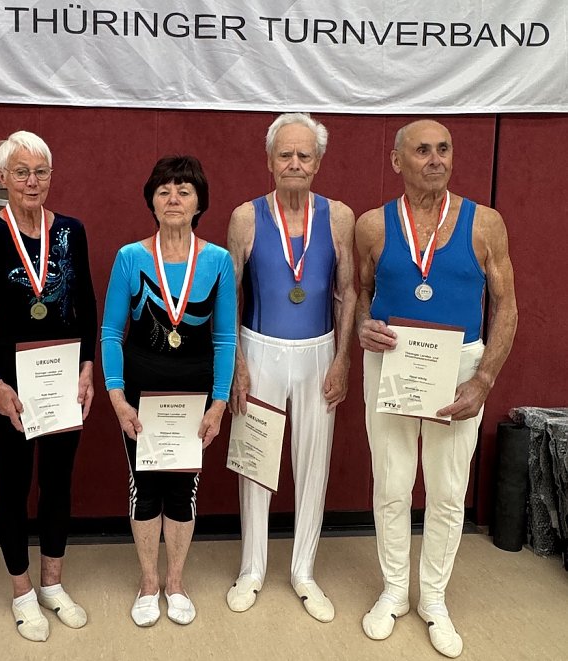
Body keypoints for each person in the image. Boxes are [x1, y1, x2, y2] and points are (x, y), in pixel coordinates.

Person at [356, 119, 517, 658]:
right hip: (392, 363)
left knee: (448, 493)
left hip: (460, 368)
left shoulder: (484, 223)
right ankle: (393, 591)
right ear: (397, 161)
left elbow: (509, 308)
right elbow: (359, 292)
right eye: (421, 150)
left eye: (443, 149)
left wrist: (485, 379)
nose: (435, 159)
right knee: (392, 484)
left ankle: (435, 599)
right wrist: (360, 327)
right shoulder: (373, 225)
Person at [0, 131, 96, 643]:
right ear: (3, 179)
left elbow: (85, 299)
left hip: (64, 378)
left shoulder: (72, 230)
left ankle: (52, 584)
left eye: (40, 171)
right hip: (11, 382)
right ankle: (22, 593)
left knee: (58, 483)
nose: (31, 181)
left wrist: (87, 365)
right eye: (21, 172)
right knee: (15, 486)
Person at [225, 113, 357, 621]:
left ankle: (304, 569)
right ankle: (252, 567)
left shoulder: (339, 216)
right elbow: (230, 294)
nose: (295, 163)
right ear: (269, 162)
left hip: (318, 351)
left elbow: (348, 293)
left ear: (318, 162)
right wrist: (236, 361)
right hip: (260, 349)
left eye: (304, 155)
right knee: (255, 459)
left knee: (312, 462)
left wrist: (343, 359)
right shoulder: (245, 217)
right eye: (286, 155)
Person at [101, 155, 236, 627]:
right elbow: (111, 334)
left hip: (195, 397)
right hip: (140, 394)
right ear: (151, 202)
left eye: (184, 189)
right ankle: (147, 583)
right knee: (144, 490)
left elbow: (225, 338)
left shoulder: (218, 261)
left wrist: (219, 404)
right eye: (164, 191)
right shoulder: (130, 257)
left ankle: (175, 582)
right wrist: (117, 400)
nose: (173, 198)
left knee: (183, 491)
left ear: (200, 201)